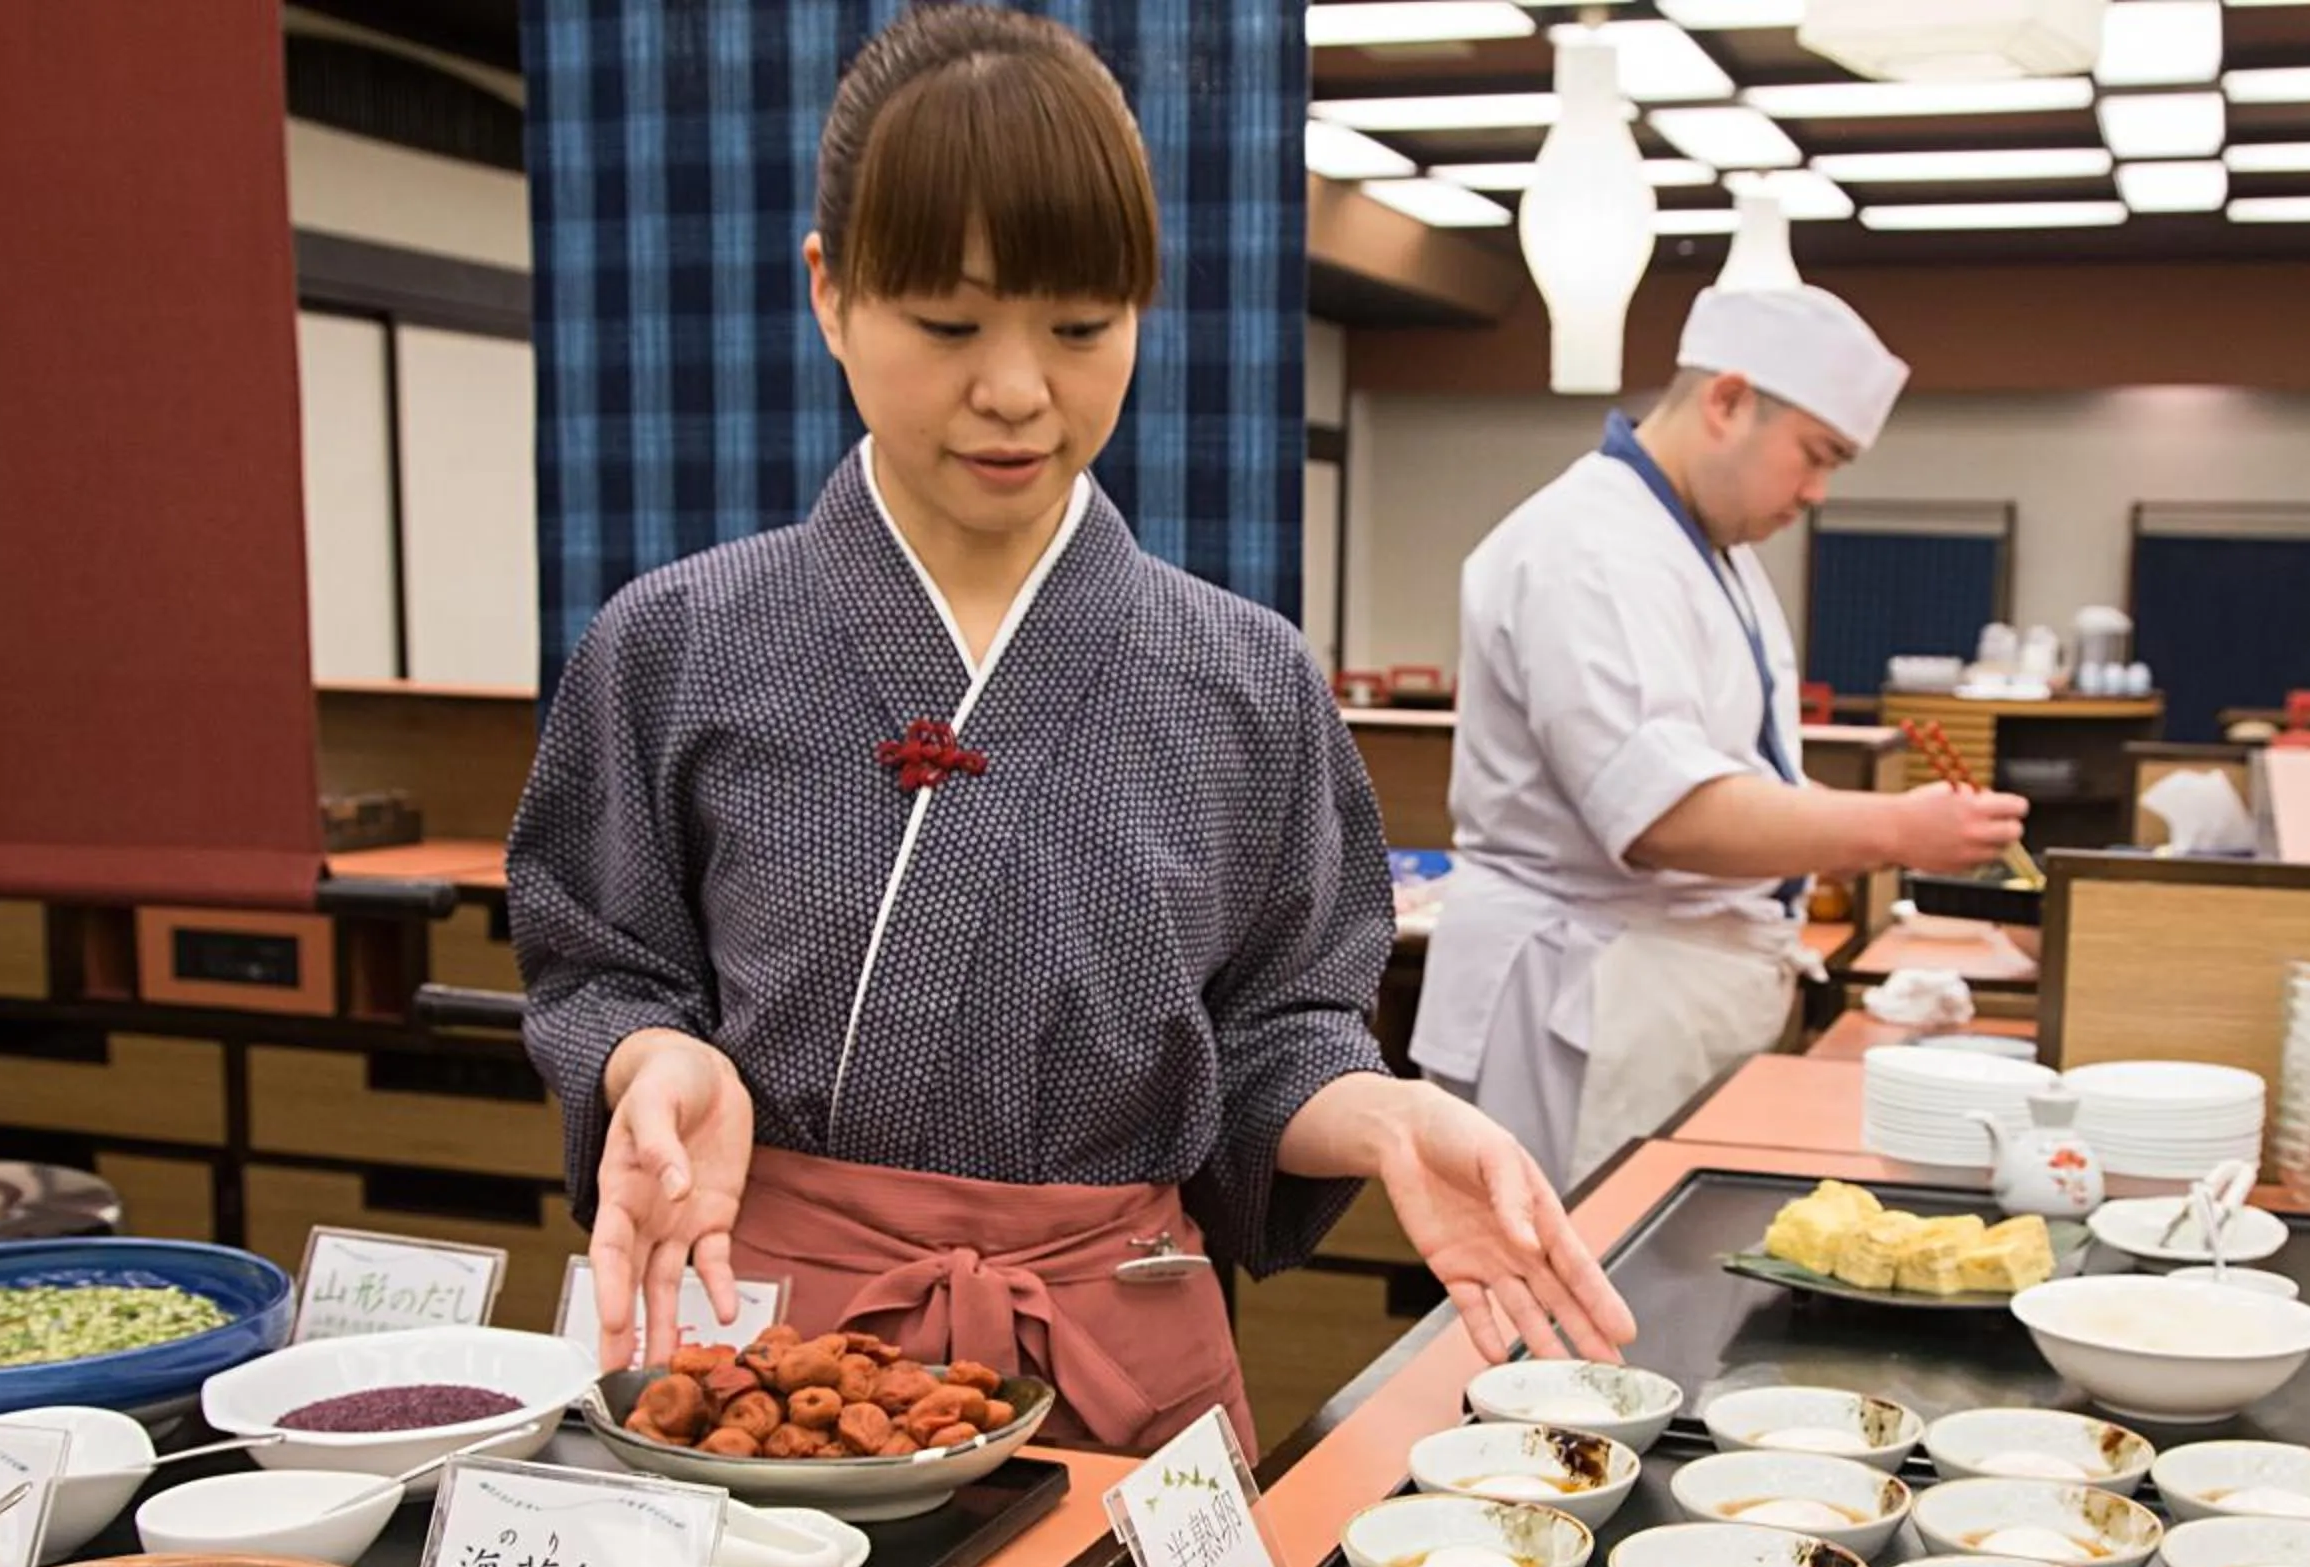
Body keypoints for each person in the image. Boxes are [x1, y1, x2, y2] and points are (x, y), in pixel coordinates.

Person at [509, 5, 1631, 1453]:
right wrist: (654, 1063)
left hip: (1111, 1366)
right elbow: (601, 965)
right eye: (950, 323)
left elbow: (1279, 1032)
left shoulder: (1246, 678)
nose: (1019, 390)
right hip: (769, 1372)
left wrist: (1384, 1115)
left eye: (1082, 326)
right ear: (831, 293)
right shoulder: (675, 646)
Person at [1414, 286, 2030, 1189]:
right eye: (1815, 456)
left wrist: (1874, 826)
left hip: (1658, 984)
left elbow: (1738, 772)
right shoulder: (1590, 544)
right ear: (1727, 401)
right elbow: (1667, 814)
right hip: (1584, 991)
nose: (1818, 493)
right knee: (1563, 1304)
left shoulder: (1710, 551)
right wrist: (1897, 831)